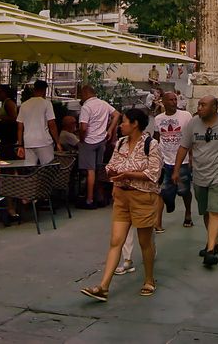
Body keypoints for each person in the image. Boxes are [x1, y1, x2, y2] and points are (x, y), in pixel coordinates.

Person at [80, 108, 163, 302]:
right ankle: (103, 286)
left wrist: (128, 174)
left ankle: (149, 279)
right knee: (116, 241)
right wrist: (113, 172)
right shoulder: (121, 143)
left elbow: (153, 173)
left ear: (134, 124)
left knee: (145, 241)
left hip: (142, 197)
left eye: (124, 121)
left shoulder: (151, 144)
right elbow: (110, 165)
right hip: (121, 196)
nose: (120, 125)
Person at [175, 95, 218, 267]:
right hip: (200, 177)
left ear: (214, 107)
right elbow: (184, 146)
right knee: (205, 211)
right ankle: (214, 242)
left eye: (203, 105)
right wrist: (176, 170)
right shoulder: (193, 123)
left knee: (215, 211)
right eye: (199, 105)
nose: (199, 108)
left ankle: (211, 250)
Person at [152, 91, 194, 230]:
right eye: (170, 100)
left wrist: (192, 158)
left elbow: (190, 138)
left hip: (182, 160)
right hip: (165, 160)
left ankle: (188, 213)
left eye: (175, 99)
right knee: (162, 191)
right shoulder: (158, 119)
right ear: (163, 102)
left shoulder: (186, 116)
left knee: (184, 190)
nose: (173, 102)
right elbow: (156, 138)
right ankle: (158, 222)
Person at [77, 84, 120, 208]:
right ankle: (99, 195)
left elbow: (83, 127)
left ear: (85, 93)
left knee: (90, 171)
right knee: (98, 168)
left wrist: (81, 139)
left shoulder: (86, 107)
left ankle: (89, 199)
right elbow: (117, 114)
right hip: (101, 140)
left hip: (89, 141)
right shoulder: (103, 103)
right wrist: (110, 130)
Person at [15, 80, 59, 166]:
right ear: (44, 91)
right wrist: (57, 142)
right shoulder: (47, 104)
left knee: (30, 169)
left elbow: (20, 127)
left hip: (28, 142)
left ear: (34, 90)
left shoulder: (24, 105)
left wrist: (20, 145)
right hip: (44, 142)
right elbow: (52, 124)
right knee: (48, 169)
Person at [0, 84, 18, 153]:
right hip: (4, 132)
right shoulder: (4, 102)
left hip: (9, 133)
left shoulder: (9, 103)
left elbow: (14, 118)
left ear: (5, 93)